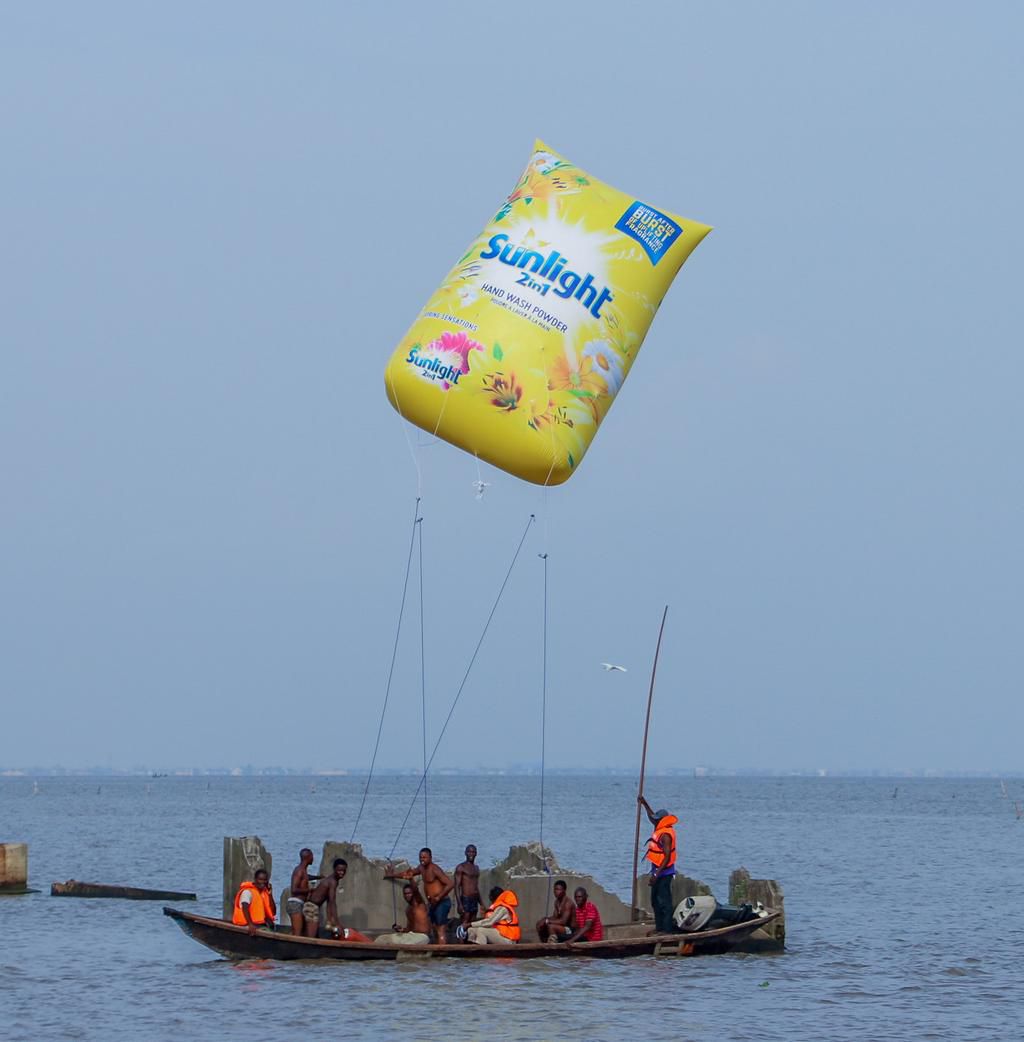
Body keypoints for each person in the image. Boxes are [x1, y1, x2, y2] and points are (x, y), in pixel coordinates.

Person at [384, 847, 455, 943]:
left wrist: (438, 897)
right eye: (420, 857)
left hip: (442, 901)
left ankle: (443, 951)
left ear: (430, 858)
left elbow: (450, 884)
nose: (422, 859)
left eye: (425, 857)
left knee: (440, 928)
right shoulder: (421, 868)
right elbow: (408, 874)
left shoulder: (435, 869)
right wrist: (392, 875)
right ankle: (437, 949)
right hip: (433, 903)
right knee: (434, 927)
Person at [639, 795, 678, 933]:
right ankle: (659, 927)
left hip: (664, 873)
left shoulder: (666, 835)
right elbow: (651, 816)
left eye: (657, 819)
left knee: (664, 903)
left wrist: (656, 874)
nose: (654, 821)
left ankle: (666, 930)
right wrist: (644, 803)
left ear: (662, 820)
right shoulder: (658, 827)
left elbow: (667, 857)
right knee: (655, 901)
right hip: (657, 872)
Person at [303, 857, 348, 938]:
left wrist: (330, 920)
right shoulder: (332, 881)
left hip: (312, 907)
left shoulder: (333, 880)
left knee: (314, 935)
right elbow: (332, 902)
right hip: (311, 908)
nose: (341, 873)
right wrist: (338, 924)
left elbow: (328, 901)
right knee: (311, 937)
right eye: (339, 870)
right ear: (334, 869)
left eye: (343, 871)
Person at [231, 868, 276, 935]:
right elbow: (245, 907)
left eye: (265, 880)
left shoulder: (265, 893)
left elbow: (273, 912)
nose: (263, 882)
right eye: (260, 879)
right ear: (255, 879)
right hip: (248, 925)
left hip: (261, 925)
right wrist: (250, 924)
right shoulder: (248, 892)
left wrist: (270, 895)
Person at [286, 848, 316, 936]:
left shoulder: (303, 870)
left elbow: (306, 877)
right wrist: (310, 890)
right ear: (308, 857)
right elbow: (294, 889)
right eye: (312, 856)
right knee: (297, 933)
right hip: (295, 904)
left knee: (300, 930)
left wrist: (319, 877)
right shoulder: (299, 870)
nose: (313, 858)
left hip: (300, 903)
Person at [454, 844, 481, 929]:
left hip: (474, 899)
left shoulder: (476, 868)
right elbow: (457, 886)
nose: (471, 854)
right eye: (469, 852)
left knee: (472, 923)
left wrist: (481, 903)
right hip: (466, 899)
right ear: (465, 853)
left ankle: (470, 941)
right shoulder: (461, 867)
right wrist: (459, 903)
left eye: (473, 852)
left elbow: (476, 887)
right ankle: (461, 941)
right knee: (464, 923)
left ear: (476, 853)